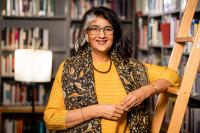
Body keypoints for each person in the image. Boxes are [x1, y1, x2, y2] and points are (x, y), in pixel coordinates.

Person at [43, 7, 179, 133]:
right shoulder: (68, 68)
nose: (102, 34)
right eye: (94, 29)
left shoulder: (130, 66)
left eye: (108, 29)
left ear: (114, 34)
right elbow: (51, 118)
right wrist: (97, 110)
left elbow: (172, 76)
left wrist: (145, 91)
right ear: (86, 35)